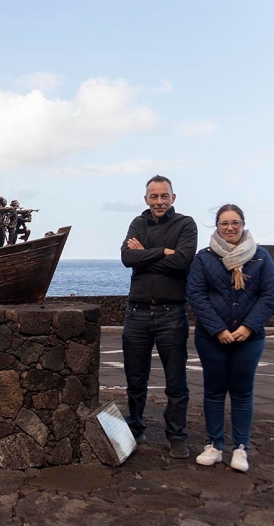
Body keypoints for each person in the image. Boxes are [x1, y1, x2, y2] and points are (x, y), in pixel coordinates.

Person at [187, 204, 274, 472]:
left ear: (243, 224)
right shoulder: (204, 258)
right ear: (217, 227)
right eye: (224, 223)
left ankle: (240, 448)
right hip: (211, 337)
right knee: (213, 391)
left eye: (235, 222)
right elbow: (197, 295)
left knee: (242, 392)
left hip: (250, 338)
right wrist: (218, 329)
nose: (230, 228)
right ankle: (214, 444)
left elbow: (268, 295)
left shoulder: (261, 257)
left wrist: (248, 326)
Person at [120, 175, 197, 459]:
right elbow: (127, 258)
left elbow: (182, 261)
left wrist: (146, 256)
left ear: (173, 198)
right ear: (146, 199)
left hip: (171, 312)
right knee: (135, 380)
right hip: (137, 312)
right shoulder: (137, 223)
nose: (159, 201)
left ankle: (176, 435)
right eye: (154, 196)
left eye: (164, 196)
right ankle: (136, 428)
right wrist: (162, 252)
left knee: (176, 381)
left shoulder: (185, 224)